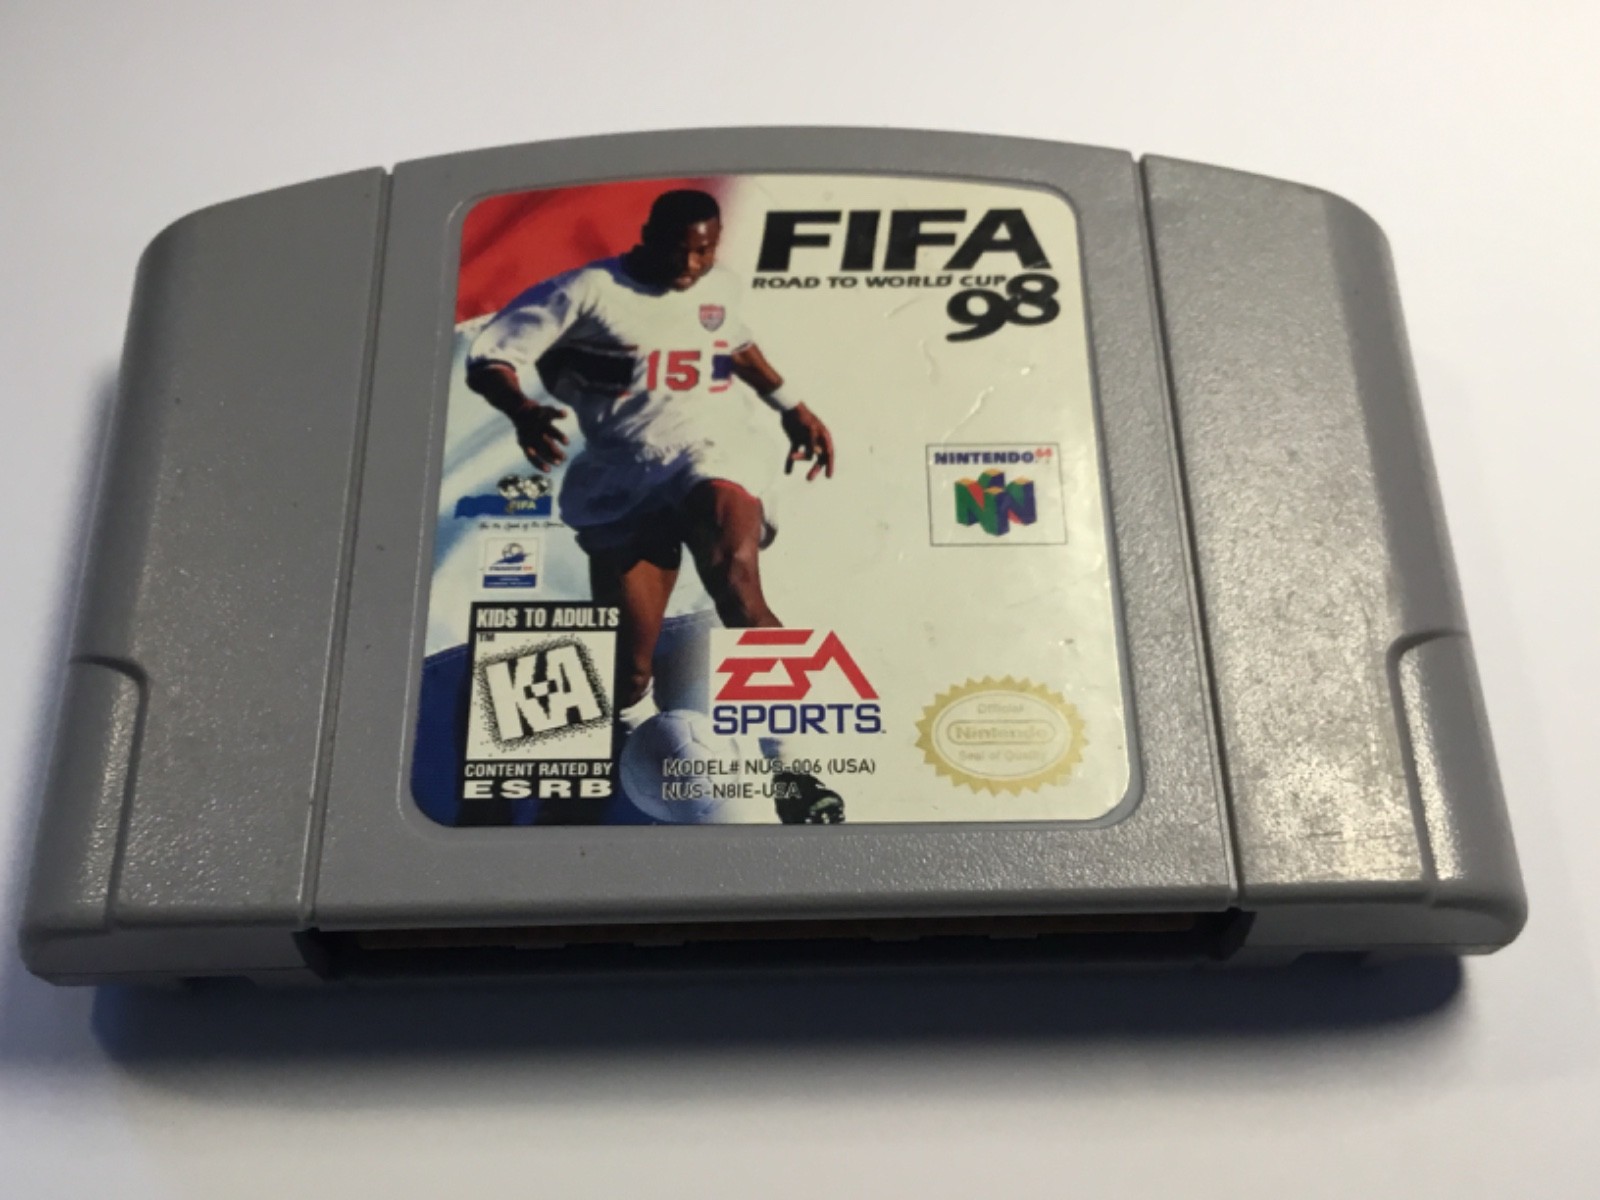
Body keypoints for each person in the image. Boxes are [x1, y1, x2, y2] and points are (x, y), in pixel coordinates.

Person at [465, 189, 842, 823]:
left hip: (710, 455)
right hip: (624, 476)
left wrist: (792, 407)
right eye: (680, 250)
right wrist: (524, 410)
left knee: (739, 592)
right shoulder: (588, 291)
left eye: (705, 251)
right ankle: (604, 751)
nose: (692, 265)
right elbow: (490, 358)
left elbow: (736, 343)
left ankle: (794, 771)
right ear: (648, 236)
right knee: (629, 674)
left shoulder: (718, 285)